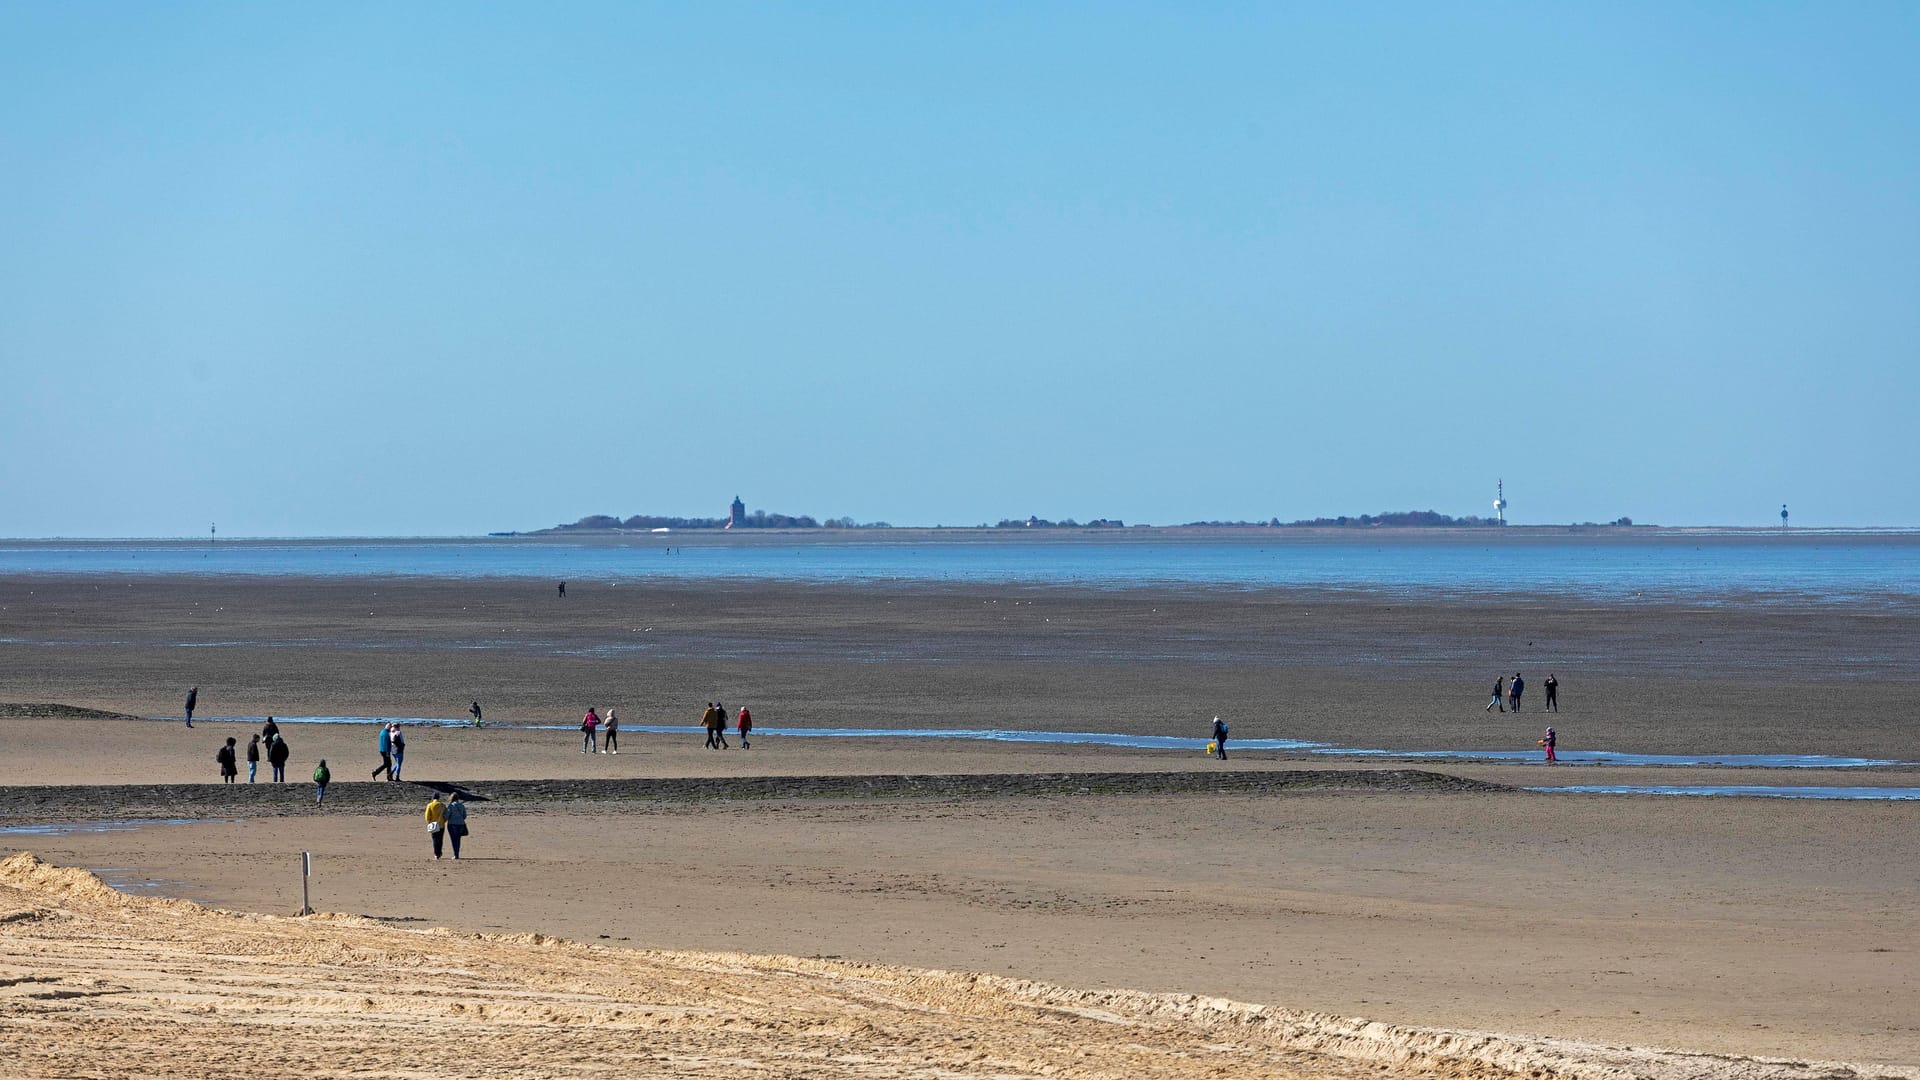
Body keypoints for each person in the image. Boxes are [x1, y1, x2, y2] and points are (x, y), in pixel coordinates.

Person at [445, 791, 469, 859]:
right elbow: (464, 816)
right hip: (461, 824)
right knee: (458, 840)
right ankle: (457, 854)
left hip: (452, 824)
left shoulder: (451, 805)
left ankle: (456, 854)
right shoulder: (462, 805)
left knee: (454, 840)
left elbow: (447, 816)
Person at [425, 793, 448, 859]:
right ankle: (439, 852)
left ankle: (436, 854)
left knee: (435, 839)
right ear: (439, 798)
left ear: (433, 798)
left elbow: (427, 817)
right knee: (440, 840)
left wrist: (429, 822)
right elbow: (446, 816)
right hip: (441, 825)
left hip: (433, 825)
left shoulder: (430, 805)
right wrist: (443, 821)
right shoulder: (443, 805)